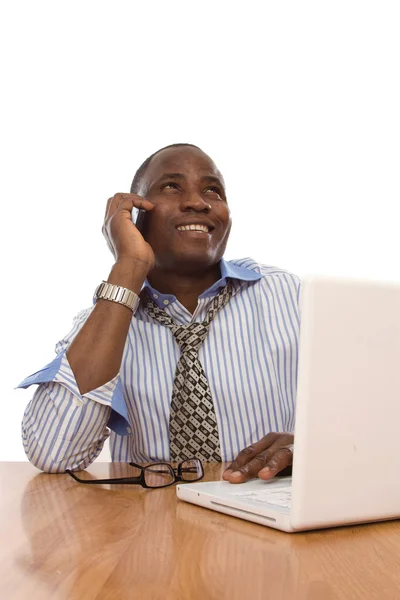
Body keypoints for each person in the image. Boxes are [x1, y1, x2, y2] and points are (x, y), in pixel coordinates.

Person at [19, 143, 299, 484]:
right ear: (136, 216)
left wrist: (311, 449)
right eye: (171, 186)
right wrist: (129, 266)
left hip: (266, 512)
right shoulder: (106, 321)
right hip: (147, 518)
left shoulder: (290, 297)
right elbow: (54, 454)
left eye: (213, 190)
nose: (198, 202)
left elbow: (367, 418)